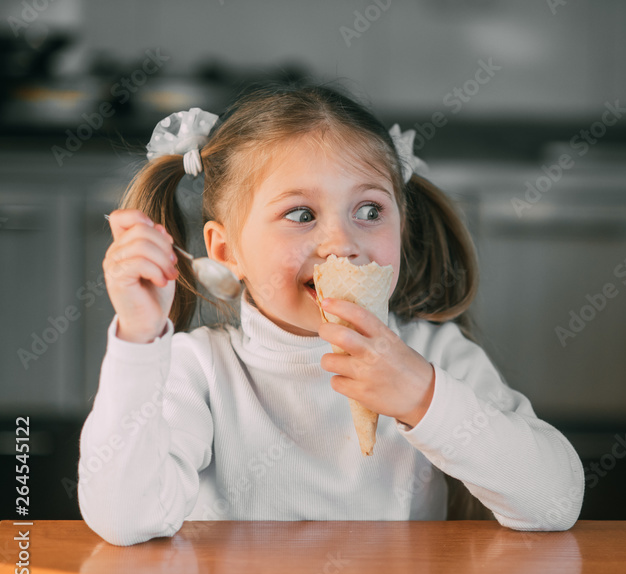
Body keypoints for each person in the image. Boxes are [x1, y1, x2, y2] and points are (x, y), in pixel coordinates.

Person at [78, 83, 585, 546]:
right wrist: (140, 342)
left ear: (402, 228)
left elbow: (555, 500)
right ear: (227, 250)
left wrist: (422, 397)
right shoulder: (201, 371)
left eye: (370, 211)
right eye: (301, 215)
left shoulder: (434, 357)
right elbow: (126, 519)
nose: (343, 243)